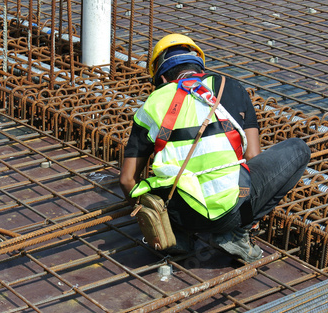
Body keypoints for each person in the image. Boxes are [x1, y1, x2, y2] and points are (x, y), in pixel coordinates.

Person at [119, 33, 310, 263]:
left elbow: (127, 180)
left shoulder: (152, 103)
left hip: (176, 215)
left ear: (160, 75)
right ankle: (238, 233)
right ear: (200, 65)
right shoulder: (231, 87)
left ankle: (177, 236)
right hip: (230, 211)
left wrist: (155, 222)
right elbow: (252, 157)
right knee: (299, 149)